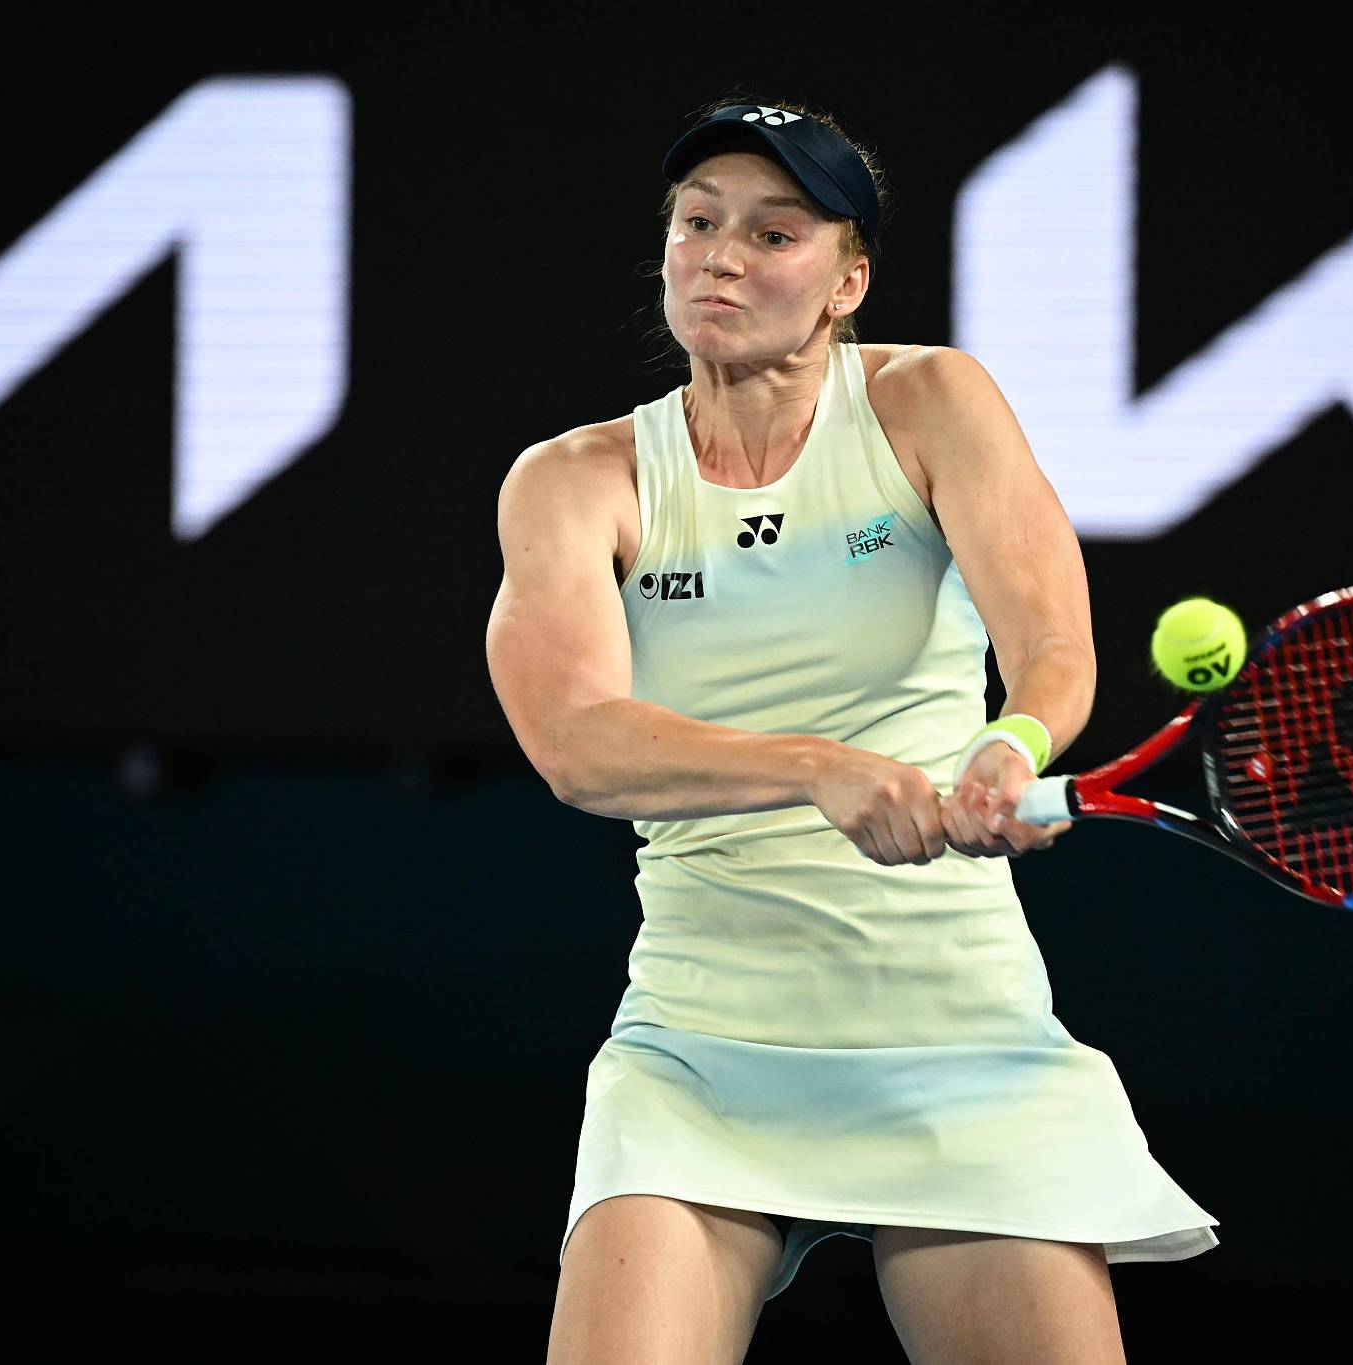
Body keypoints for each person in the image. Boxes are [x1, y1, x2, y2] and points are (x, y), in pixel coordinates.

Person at [486, 98, 1217, 1365]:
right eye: (697, 223)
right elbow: (575, 743)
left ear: (846, 283)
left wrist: (1009, 745)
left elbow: (1051, 644)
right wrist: (816, 769)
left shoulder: (929, 400)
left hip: (955, 1028)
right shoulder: (575, 478)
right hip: (702, 1044)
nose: (720, 256)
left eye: (773, 235)